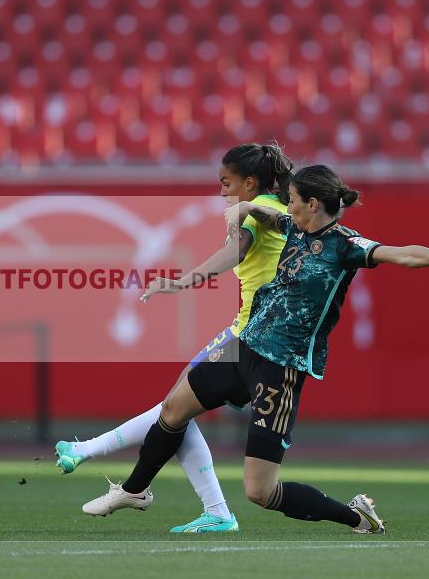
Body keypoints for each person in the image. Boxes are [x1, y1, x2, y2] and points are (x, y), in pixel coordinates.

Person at [82, 164, 429, 534]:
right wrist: (247, 210)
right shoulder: (296, 227)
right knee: (173, 408)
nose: (287, 206)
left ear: (314, 204)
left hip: (280, 369)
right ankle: (134, 491)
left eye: (294, 200)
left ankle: (358, 517)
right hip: (245, 345)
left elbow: (404, 255)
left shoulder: (346, 246)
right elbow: (268, 214)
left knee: (259, 491)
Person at [56, 143, 294, 533]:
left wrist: (183, 281)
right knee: (176, 409)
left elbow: (236, 249)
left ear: (249, 182)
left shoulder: (256, 211)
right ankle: (212, 510)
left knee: (175, 408)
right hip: (249, 332)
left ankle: (105, 463)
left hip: (252, 337)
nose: (221, 192)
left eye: (226, 183)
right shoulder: (270, 208)